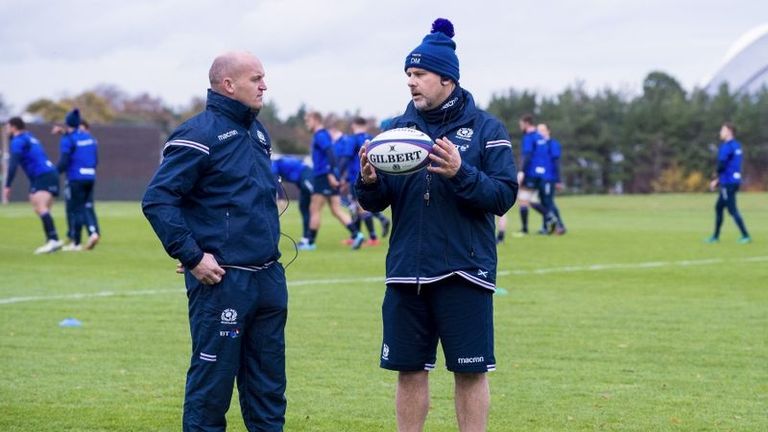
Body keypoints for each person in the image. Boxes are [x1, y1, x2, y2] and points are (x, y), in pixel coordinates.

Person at [356, 18, 518, 431]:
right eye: (408, 74)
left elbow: (502, 197)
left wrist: (461, 172)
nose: (411, 82)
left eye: (420, 74)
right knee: (408, 370)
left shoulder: (486, 129)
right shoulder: (395, 131)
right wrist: (368, 182)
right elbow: (376, 203)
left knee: (469, 371)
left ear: (446, 78)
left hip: (464, 269)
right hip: (407, 270)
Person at [142, 51, 288, 431]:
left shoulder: (257, 132)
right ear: (228, 84)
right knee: (211, 391)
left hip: (269, 279)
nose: (264, 85)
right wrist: (191, 255)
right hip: (223, 283)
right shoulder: (198, 134)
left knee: (269, 391)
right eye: (256, 78)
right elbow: (158, 199)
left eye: (264, 77)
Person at [302, 111, 364, 250]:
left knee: (314, 208)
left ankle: (310, 242)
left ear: (316, 120)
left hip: (323, 176)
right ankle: (357, 234)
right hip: (327, 175)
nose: (307, 124)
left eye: (308, 120)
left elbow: (330, 152)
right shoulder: (324, 135)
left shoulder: (320, 135)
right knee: (336, 209)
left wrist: (332, 173)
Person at [3, 117, 64, 254]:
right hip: (49, 173)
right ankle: (51, 240)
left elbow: (13, 164)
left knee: (40, 206)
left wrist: (7, 185)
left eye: (8, 127)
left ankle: (53, 240)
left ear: (14, 127)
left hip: (42, 175)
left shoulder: (17, 141)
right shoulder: (30, 137)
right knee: (40, 206)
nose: (6, 130)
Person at [56, 109, 99, 251]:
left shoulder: (67, 140)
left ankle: (76, 243)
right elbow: (95, 159)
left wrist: (54, 173)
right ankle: (93, 232)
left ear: (67, 123)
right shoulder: (89, 138)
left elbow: (64, 161)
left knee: (76, 210)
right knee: (86, 207)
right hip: (90, 176)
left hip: (76, 178)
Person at [706, 122, 751, 244]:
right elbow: (732, 166)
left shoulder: (726, 146)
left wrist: (716, 179)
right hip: (733, 181)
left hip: (728, 182)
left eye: (722, 130)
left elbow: (722, 165)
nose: (721, 133)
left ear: (729, 131)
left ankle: (745, 235)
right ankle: (715, 237)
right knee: (719, 207)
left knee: (732, 209)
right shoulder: (737, 145)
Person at [516, 114, 555, 235]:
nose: (520, 127)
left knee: (523, 199)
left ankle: (525, 229)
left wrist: (521, 171)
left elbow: (527, 155)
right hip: (542, 174)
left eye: (521, 125)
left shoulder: (529, 137)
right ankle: (550, 216)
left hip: (531, 172)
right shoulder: (540, 137)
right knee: (532, 200)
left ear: (526, 124)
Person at [271, 156, 313, 244]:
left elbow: (276, 181)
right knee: (304, 208)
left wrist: (281, 198)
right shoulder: (277, 163)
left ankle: (310, 239)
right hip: (303, 178)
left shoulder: (273, 164)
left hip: (306, 175)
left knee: (315, 206)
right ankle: (307, 238)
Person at [536, 123, 566, 235]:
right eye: (538, 130)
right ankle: (545, 227)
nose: (540, 133)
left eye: (542, 130)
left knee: (549, 202)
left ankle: (560, 225)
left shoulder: (553, 144)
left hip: (550, 178)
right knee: (543, 203)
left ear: (548, 131)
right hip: (539, 179)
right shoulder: (538, 145)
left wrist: (558, 180)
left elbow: (556, 163)